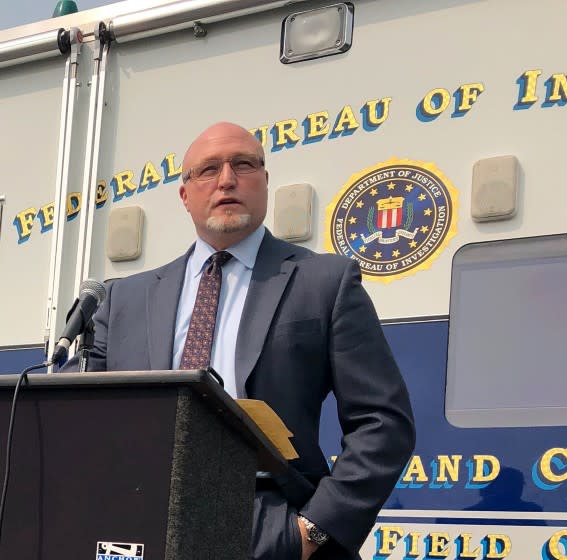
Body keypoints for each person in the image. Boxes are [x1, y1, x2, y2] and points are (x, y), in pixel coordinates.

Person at [69, 122, 415, 559]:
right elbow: (82, 421)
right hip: (142, 522)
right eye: (208, 169)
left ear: (265, 182)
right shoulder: (125, 299)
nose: (227, 179)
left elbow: (382, 423)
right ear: (185, 194)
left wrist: (311, 532)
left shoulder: (325, 283)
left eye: (244, 164)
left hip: (269, 524)